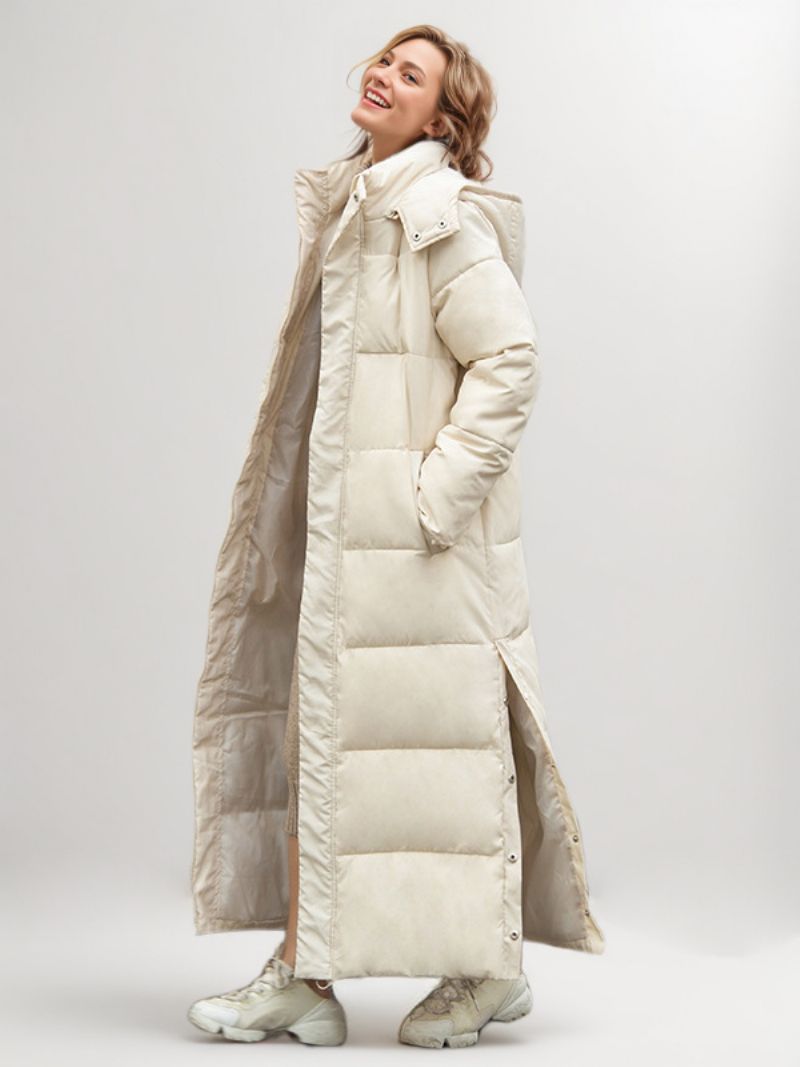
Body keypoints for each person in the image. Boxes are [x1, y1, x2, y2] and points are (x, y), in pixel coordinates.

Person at [188, 23, 604, 1050]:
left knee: (446, 761)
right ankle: (306, 974)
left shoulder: (435, 215)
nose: (382, 75)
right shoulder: (358, 205)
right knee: (323, 751)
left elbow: (509, 360)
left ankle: (485, 969)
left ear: (440, 119)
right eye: (383, 60)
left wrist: (432, 500)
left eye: (409, 75)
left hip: (417, 551)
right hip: (346, 541)